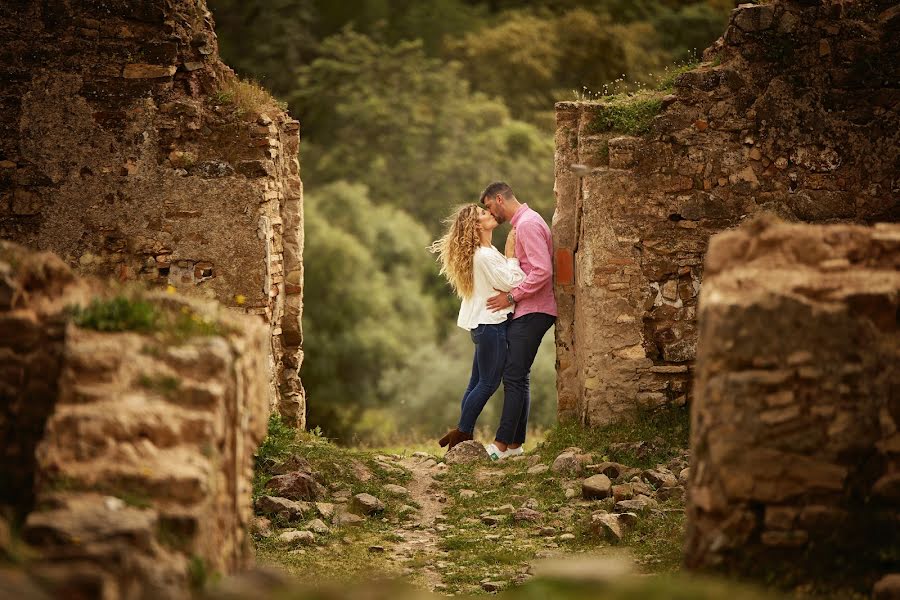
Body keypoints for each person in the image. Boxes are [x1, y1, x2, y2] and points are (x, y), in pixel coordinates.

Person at [429, 204, 525, 450]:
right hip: (491, 325)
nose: (490, 213)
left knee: (476, 382)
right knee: (488, 383)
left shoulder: (486, 251)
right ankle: (461, 434)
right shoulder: (483, 256)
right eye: (483, 213)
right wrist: (512, 256)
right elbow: (511, 281)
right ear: (476, 226)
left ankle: (461, 436)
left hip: (485, 326)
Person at [480, 182, 557, 461]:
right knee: (518, 376)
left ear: (499, 199)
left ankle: (500, 446)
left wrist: (511, 297)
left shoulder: (526, 225)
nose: (490, 212)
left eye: (489, 206)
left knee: (512, 375)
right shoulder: (523, 223)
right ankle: (515, 445)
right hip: (530, 309)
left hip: (534, 309)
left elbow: (542, 272)